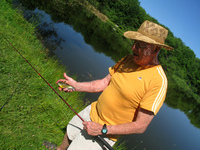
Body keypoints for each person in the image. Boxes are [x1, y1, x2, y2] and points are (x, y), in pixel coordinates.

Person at [43, 20, 173, 150]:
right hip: (91, 112)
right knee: (70, 134)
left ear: (156, 48)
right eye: (134, 43)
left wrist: (103, 130)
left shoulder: (158, 81)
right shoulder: (128, 59)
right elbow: (104, 83)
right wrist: (77, 86)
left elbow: (140, 126)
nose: (133, 48)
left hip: (105, 132)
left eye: (140, 45)